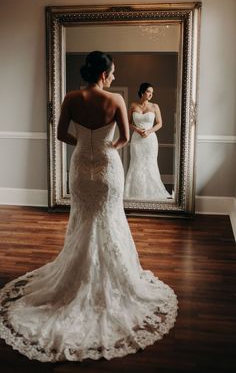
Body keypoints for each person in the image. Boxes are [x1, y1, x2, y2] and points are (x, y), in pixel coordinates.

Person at [0, 52, 177, 362]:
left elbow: (59, 134)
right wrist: (107, 147)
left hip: (80, 167)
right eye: (112, 72)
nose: (112, 76)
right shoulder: (116, 101)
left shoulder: (71, 97)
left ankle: (76, 277)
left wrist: (84, 143)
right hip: (109, 169)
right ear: (105, 73)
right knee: (108, 218)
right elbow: (124, 138)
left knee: (84, 219)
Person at [124, 82, 171, 200]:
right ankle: (134, 193)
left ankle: (151, 193)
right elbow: (128, 122)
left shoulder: (155, 106)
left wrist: (148, 131)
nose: (151, 95)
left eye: (152, 93)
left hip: (150, 140)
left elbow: (160, 123)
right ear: (142, 92)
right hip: (136, 139)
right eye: (148, 92)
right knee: (136, 163)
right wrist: (138, 130)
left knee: (150, 164)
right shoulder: (133, 105)